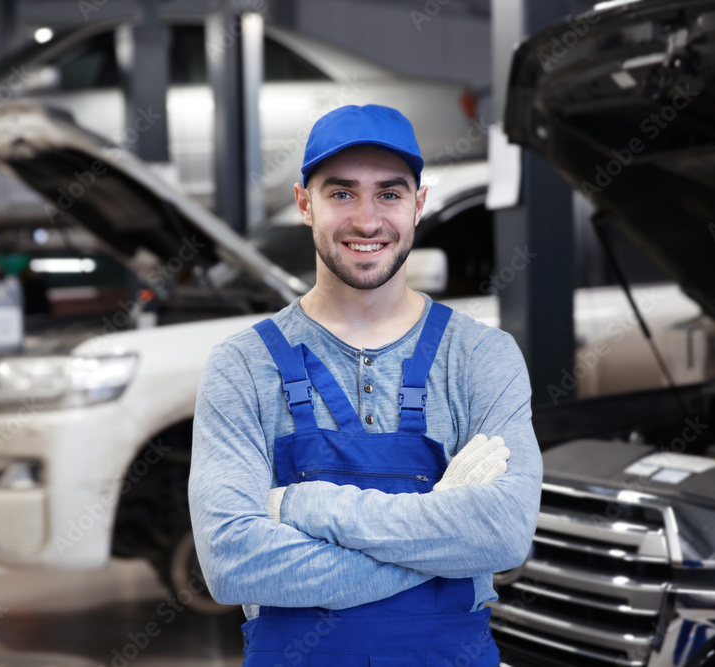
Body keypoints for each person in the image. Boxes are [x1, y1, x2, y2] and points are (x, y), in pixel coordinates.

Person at [189, 104, 541, 666]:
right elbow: (233, 563)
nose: (367, 220)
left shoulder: (480, 357)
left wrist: (307, 505)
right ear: (305, 203)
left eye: (390, 193)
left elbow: (501, 535)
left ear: (418, 204)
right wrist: (440, 540)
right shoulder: (243, 365)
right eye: (342, 193)